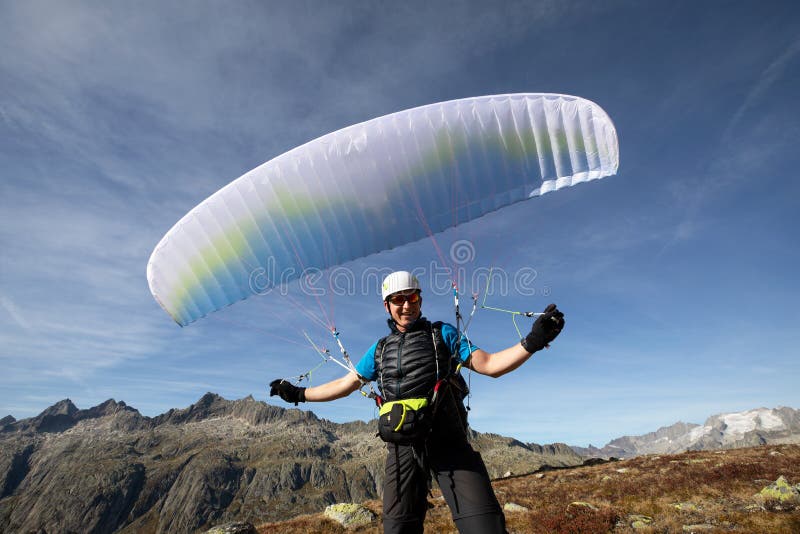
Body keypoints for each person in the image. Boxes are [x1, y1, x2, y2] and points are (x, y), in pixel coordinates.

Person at [270, 271, 564, 534]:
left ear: (420, 300)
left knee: (484, 526)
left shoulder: (442, 334)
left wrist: (533, 341)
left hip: (449, 444)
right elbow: (345, 385)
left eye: (412, 297)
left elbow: (490, 365)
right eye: (398, 299)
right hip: (401, 450)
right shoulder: (379, 349)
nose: (406, 305)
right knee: (398, 529)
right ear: (387, 305)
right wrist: (298, 394)